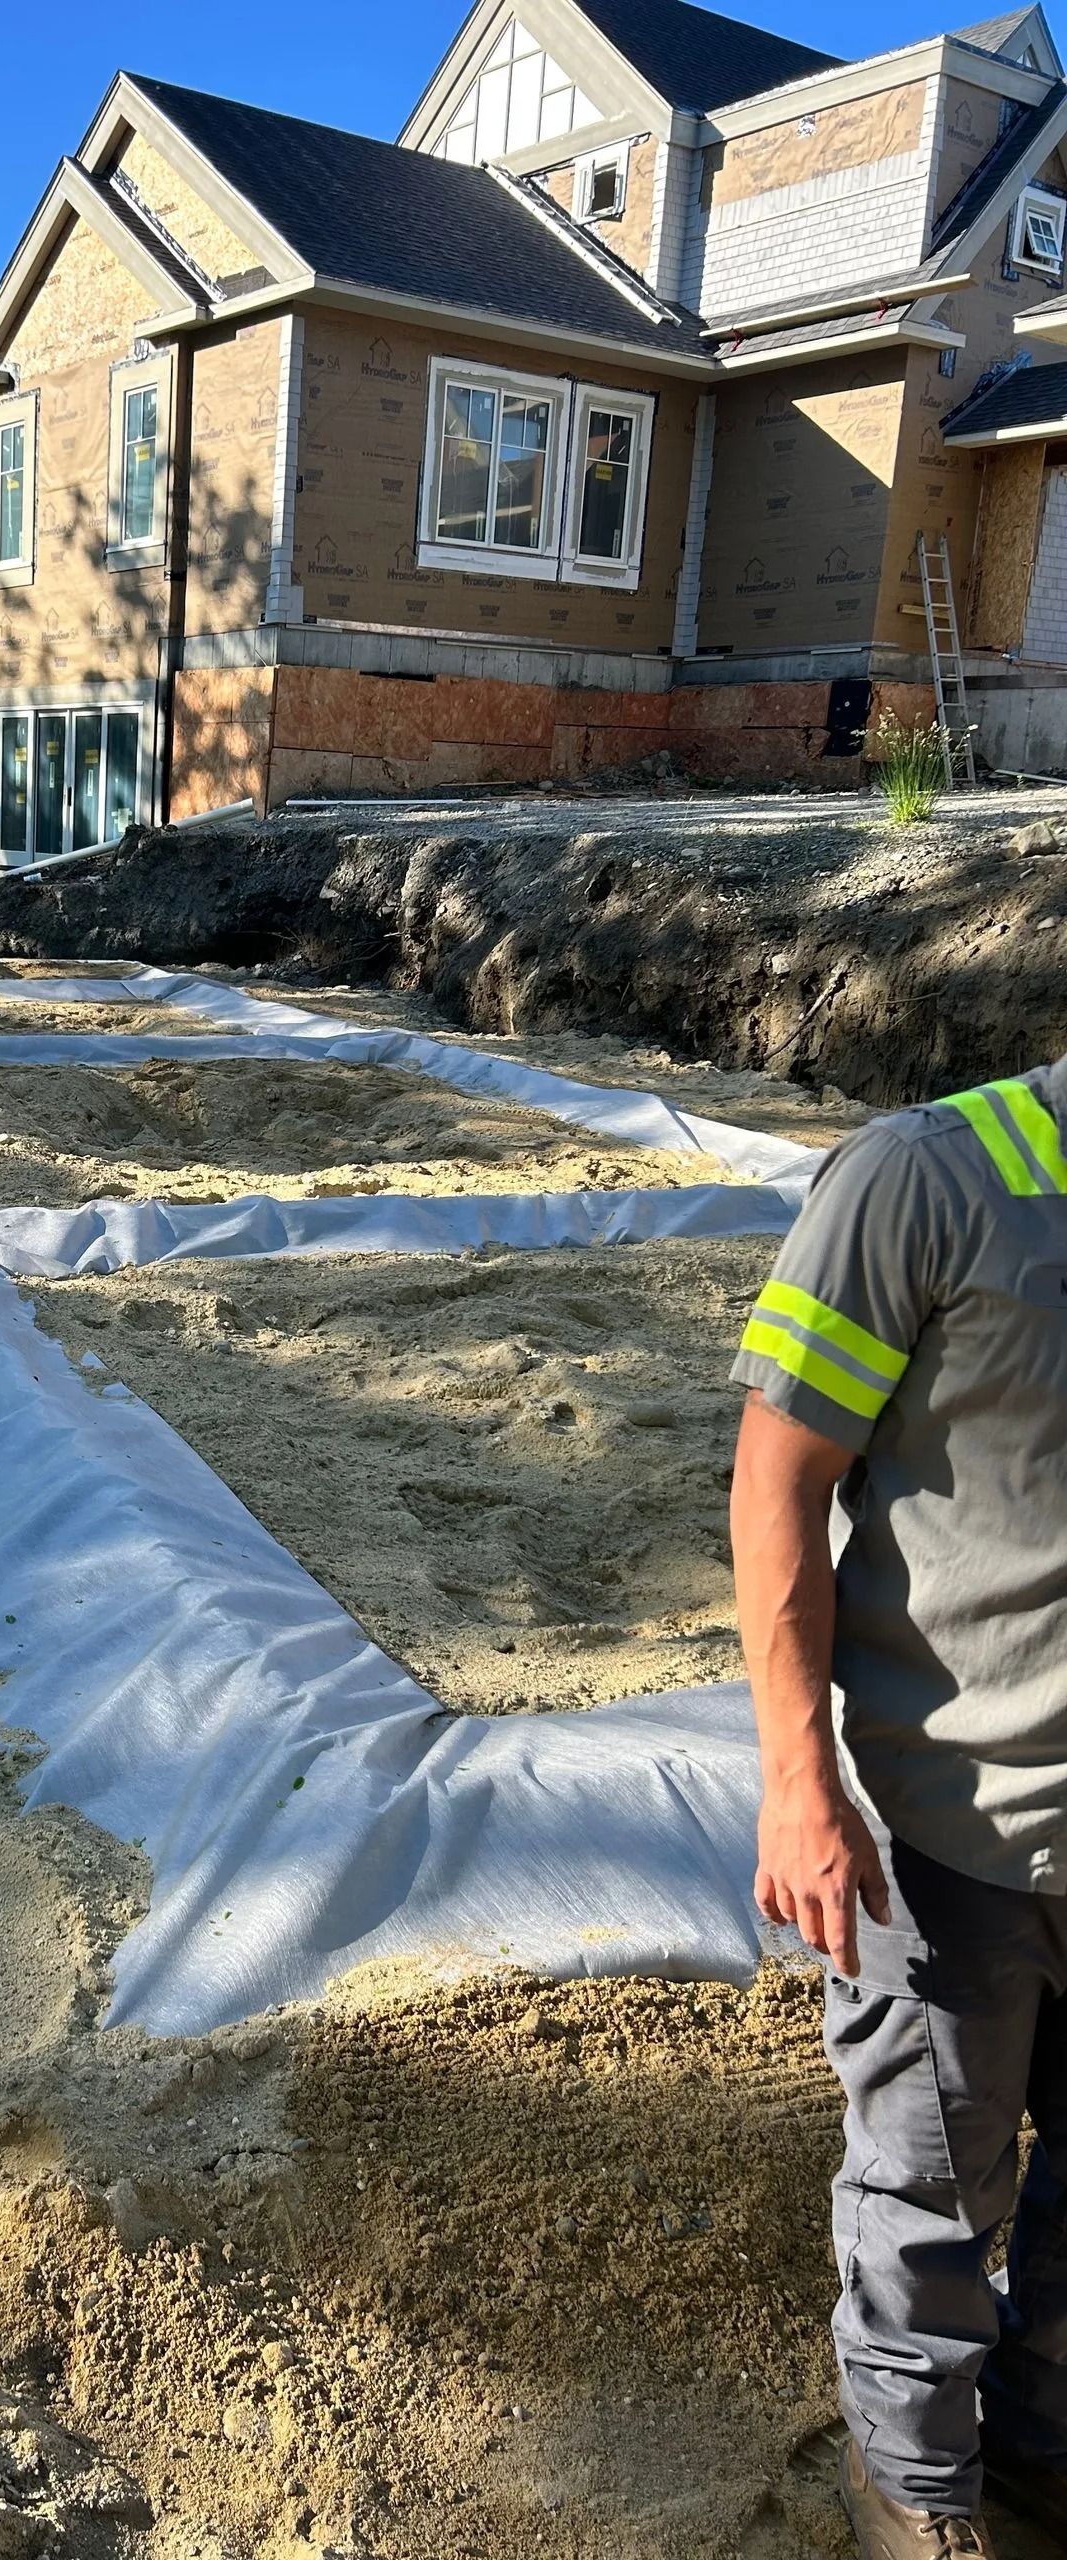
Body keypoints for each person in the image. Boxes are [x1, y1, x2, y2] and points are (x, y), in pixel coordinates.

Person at [730, 1062, 1067, 2560]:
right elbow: (778, 1482)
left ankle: (1047, 2453)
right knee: (931, 2192)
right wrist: (800, 1784)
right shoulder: (922, 1179)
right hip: (957, 1825)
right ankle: (918, 2496)